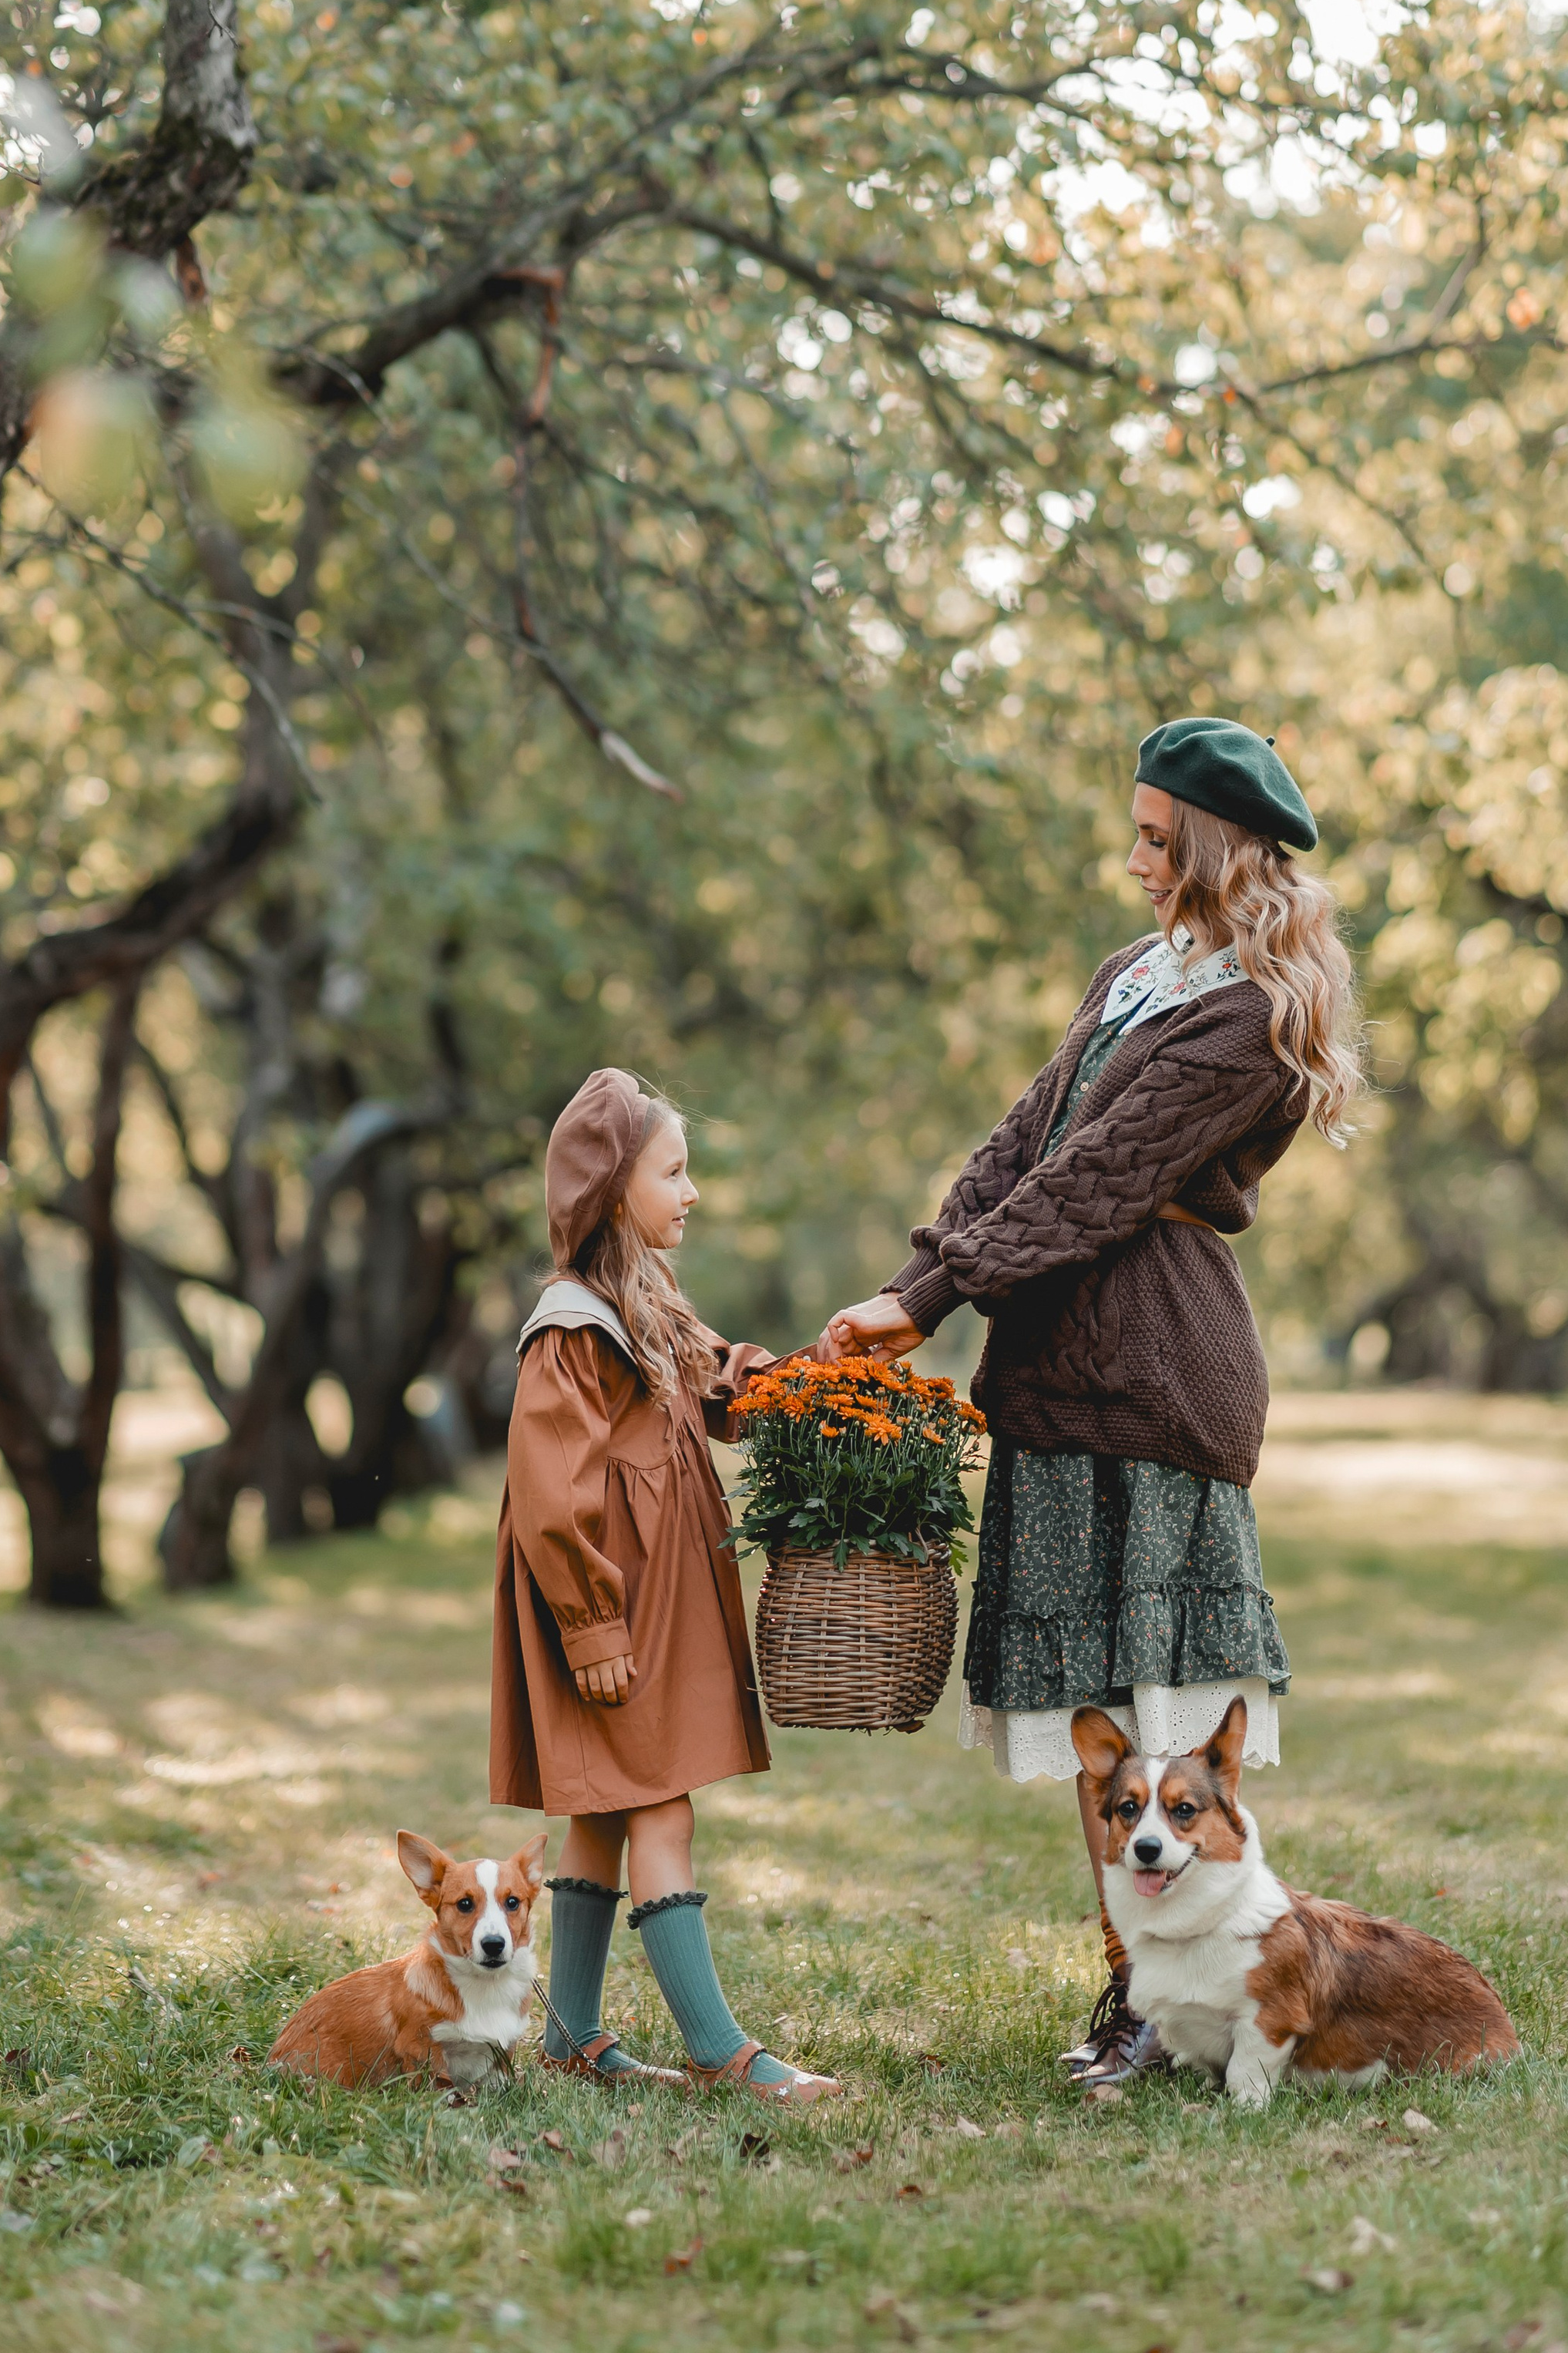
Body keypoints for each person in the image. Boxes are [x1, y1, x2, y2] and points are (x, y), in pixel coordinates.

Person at [819, 718, 1362, 2096]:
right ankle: (1136, 1991)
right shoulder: (1135, 973)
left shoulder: (1251, 1012)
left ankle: (1214, 1977)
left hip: (1159, 1373)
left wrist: (931, 1300)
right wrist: (915, 1274)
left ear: (1216, 846)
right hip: (1057, 1370)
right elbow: (1024, 1140)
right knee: (1094, 1722)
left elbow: (1104, 1177)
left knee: (1169, 1711)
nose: (1133, 861)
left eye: (1156, 838)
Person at [490, 1065, 840, 2104]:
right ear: (613, 1190)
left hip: (650, 1598)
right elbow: (552, 1496)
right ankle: (720, 2049)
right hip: (610, 1605)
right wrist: (593, 1628)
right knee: (661, 1810)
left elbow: (715, 1385)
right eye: (675, 1174)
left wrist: (805, 1380)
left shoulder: (642, 1302)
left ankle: (571, 2036)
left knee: (605, 1808)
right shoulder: (572, 1327)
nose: (692, 1194)